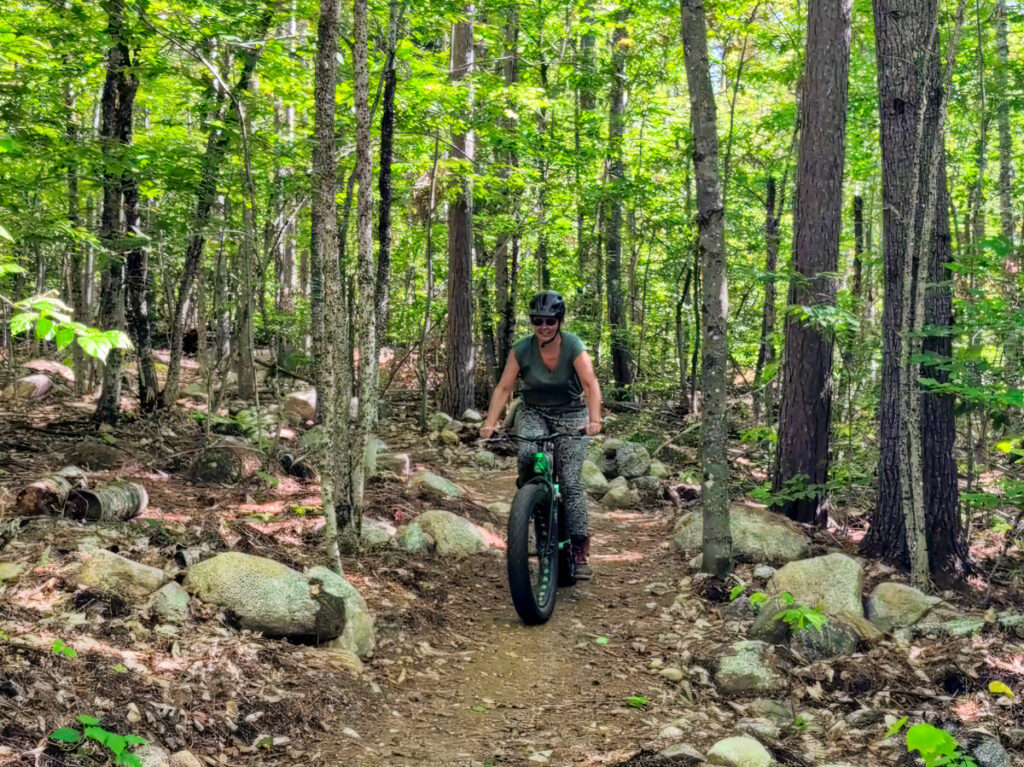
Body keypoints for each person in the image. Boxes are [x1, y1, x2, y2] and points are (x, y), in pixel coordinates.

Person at [480, 291, 603, 578]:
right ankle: (531, 496)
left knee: (571, 483)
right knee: (527, 452)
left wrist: (595, 420)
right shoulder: (522, 349)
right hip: (534, 411)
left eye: (549, 320)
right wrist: (489, 423)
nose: (543, 326)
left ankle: (579, 547)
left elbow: (590, 383)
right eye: (537, 320)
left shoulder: (573, 346)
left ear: (559, 321)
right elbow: (504, 388)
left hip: (571, 414)